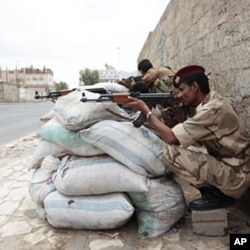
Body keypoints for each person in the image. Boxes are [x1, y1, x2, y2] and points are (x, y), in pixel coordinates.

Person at [126, 64, 250, 211]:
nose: (179, 95)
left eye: (182, 90)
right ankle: (216, 193)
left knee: (171, 154)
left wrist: (147, 112)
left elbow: (171, 138)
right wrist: (172, 115)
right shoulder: (210, 103)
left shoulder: (213, 109)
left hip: (237, 176)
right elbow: (183, 133)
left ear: (195, 87)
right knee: (183, 149)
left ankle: (218, 196)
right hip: (234, 167)